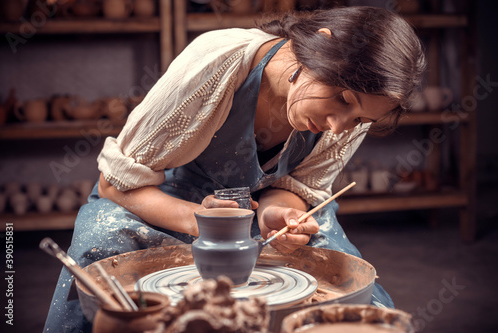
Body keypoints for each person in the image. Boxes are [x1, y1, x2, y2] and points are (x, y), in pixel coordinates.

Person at [44, 6, 426, 332]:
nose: (340, 126)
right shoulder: (219, 60)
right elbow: (114, 184)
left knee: (356, 289)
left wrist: (277, 213)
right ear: (322, 46)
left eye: (359, 120)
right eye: (343, 100)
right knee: (105, 251)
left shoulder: (348, 118)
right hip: (167, 200)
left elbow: (298, 184)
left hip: (256, 213)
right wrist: (202, 222)